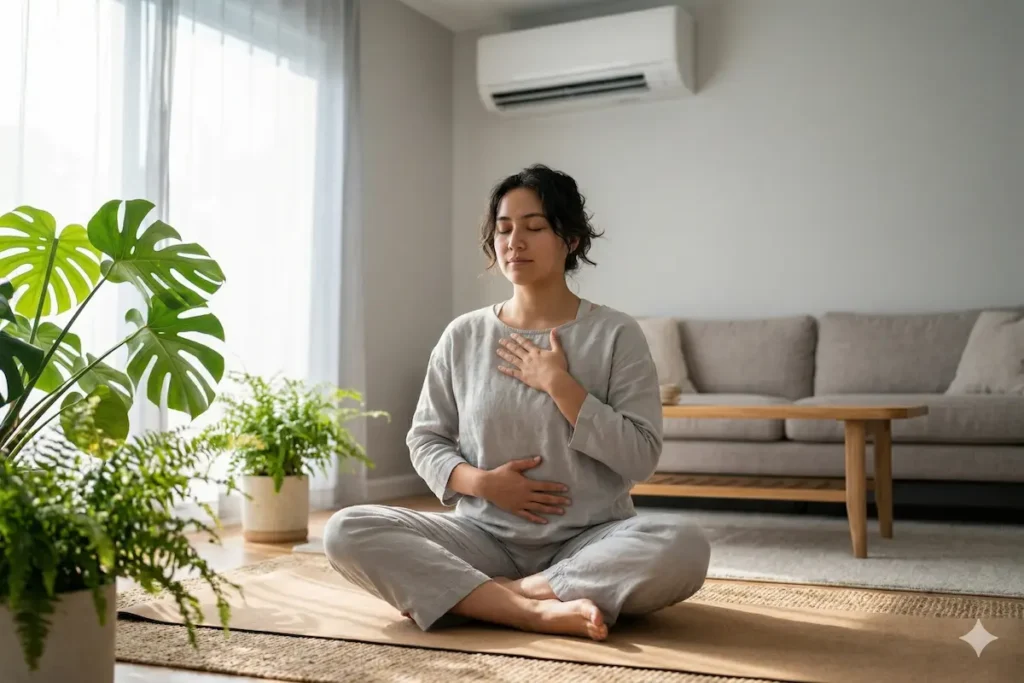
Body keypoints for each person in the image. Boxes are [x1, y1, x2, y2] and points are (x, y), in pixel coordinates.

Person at [324, 164, 710, 641]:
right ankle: (534, 611)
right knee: (346, 529)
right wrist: (483, 484)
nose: (514, 242)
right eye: (504, 229)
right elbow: (426, 439)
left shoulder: (616, 334)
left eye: (533, 227)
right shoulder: (463, 335)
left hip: (589, 540)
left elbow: (641, 456)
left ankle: (502, 594)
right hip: (481, 537)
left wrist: (561, 386)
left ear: (569, 240)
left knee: (684, 545)